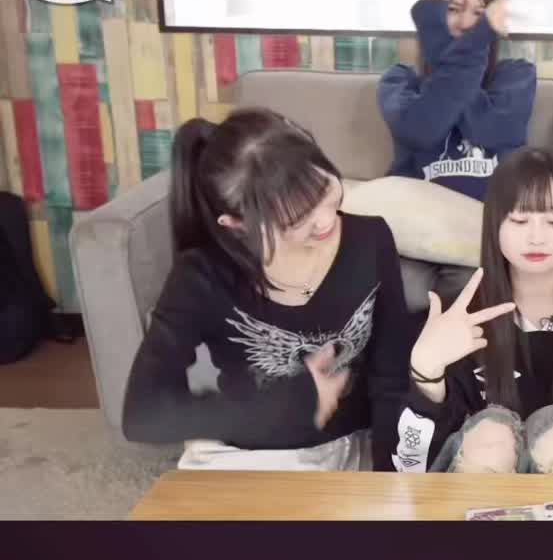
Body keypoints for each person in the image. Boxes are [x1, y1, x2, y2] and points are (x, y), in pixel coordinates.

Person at [122, 109, 410, 470]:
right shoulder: (202, 276)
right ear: (237, 225)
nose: (325, 220)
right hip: (251, 453)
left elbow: (391, 376)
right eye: (296, 220)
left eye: (325, 191)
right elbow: (142, 414)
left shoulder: (371, 239)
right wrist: (284, 404)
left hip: (351, 444)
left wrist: (389, 475)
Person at [392, 147, 553, 476]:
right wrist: (426, 372)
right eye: (519, 220)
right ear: (494, 225)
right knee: (491, 437)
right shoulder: (456, 318)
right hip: (478, 493)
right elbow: (414, 468)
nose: (536, 237)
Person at [377, 0, 537, 310]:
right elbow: (422, 129)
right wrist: (463, 53)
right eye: (452, 10)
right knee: (405, 293)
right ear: (433, 15)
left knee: (467, 297)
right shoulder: (401, 80)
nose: (466, 24)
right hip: (412, 228)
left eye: (479, 14)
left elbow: (490, 130)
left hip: (478, 232)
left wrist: (445, 48)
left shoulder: (516, 75)